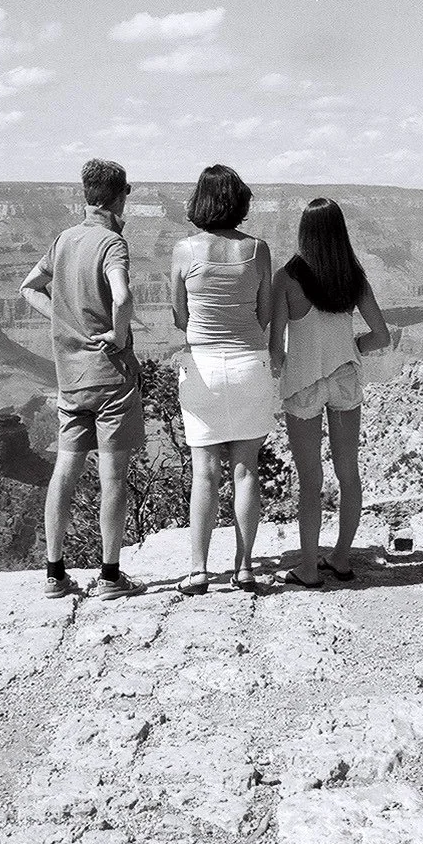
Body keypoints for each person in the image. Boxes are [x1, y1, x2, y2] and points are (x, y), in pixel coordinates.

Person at [20, 158, 146, 601]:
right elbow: (124, 294)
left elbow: (28, 287)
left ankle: (55, 574)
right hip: (111, 379)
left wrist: (62, 321)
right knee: (112, 477)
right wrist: (118, 331)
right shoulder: (112, 242)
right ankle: (111, 577)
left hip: (70, 379)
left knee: (65, 471)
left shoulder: (64, 239)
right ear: (119, 195)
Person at [270, 197, 392, 588]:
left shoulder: (286, 278)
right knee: (348, 471)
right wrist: (350, 345)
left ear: (304, 233)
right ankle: (340, 557)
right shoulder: (352, 276)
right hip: (343, 378)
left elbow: (275, 347)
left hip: (304, 383)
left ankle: (307, 568)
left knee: (310, 478)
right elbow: (382, 335)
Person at [171, 164, 276, 595]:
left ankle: (199, 571)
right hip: (251, 362)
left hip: (203, 367)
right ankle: (245, 567)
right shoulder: (259, 250)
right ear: (239, 202)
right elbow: (266, 313)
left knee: (205, 473)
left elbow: (180, 316)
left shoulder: (184, 250)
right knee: (246, 470)